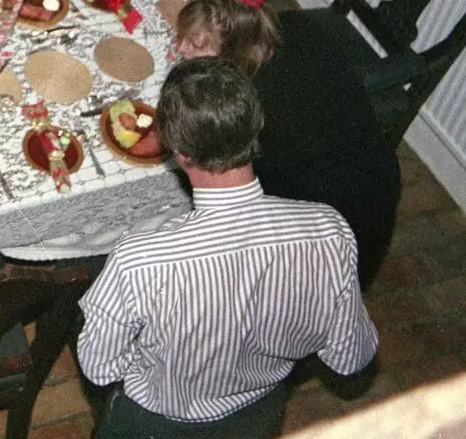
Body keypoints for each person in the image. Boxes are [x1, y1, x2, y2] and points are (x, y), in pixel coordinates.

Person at [79, 58, 379, 439]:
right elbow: (351, 356)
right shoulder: (329, 231)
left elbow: (99, 366)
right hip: (256, 416)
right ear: (256, 127)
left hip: (157, 425)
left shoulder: (139, 259)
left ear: (179, 152)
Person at [171, 0, 400, 286]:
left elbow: (225, 186)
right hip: (376, 164)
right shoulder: (293, 24)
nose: (182, 49)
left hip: (343, 218)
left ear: (233, 55)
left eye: (197, 46)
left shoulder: (252, 112)